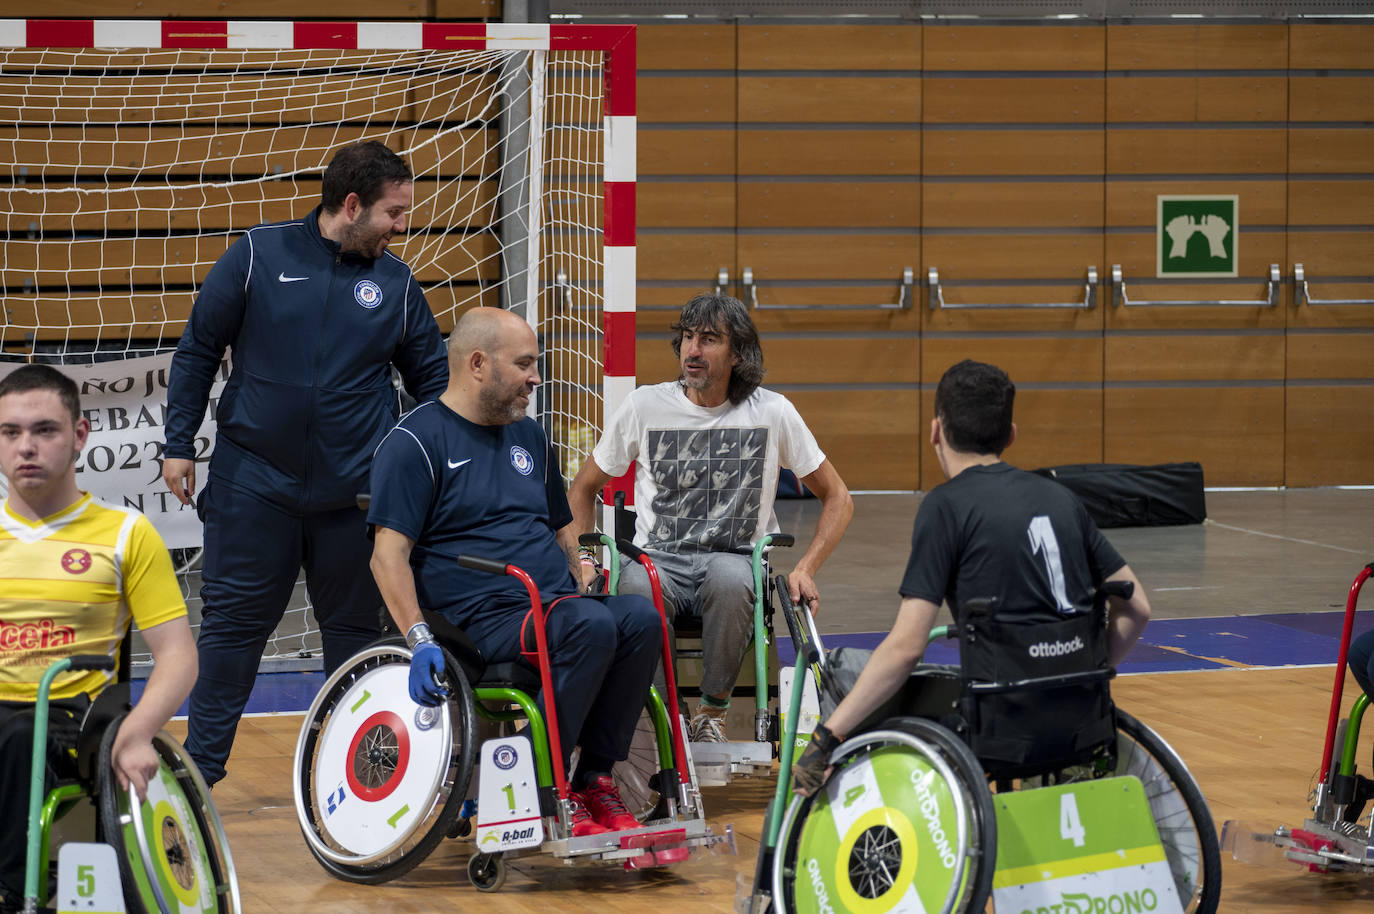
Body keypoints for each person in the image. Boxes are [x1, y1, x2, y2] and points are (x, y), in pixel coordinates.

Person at [161, 140, 448, 787]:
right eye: (394, 212)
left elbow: (433, 383)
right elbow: (199, 347)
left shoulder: (398, 284)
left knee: (354, 637)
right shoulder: (258, 254)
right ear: (352, 204)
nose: (403, 226)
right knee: (231, 633)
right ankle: (198, 779)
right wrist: (179, 441)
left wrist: (434, 470)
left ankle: (348, 781)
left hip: (356, 496)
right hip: (252, 483)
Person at [792, 359, 1152, 795]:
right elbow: (1137, 607)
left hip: (1000, 727)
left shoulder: (946, 507)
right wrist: (1082, 677)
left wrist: (826, 736)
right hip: (1083, 717)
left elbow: (906, 649)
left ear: (935, 432)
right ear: (1011, 435)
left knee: (842, 671)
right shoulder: (1062, 499)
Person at [368, 306, 659, 836]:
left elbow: (560, 524)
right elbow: (386, 554)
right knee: (588, 627)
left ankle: (593, 778)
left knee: (639, 618)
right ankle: (539, 786)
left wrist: (584, 571)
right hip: (479, 620)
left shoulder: (530, 437)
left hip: (552, 608)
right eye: (524, 364)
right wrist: (418, 638)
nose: (536, 378)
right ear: (478, 363)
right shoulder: (414, 444)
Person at [568, 292, 853, 743]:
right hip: (657, 559)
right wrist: (585, 559)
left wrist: (806, 567)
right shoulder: (645, 406)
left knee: (728, 575)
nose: (692, 350)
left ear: (738, 353)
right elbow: (582, 488)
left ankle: (711, 714)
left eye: (708, 339)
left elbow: (838, 496)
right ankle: (667, 716)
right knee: (636, 582)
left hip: (735, 559)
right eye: (686, 337)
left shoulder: (772, 412)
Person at [0, 365, 197, 908]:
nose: (26, 447)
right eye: (10, 432)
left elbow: (178, 656)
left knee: (18, 738)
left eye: (45, 430)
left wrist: (137, 731)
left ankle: (14, 896)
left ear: (80, 435)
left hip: (69, 721)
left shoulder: (125, 535)